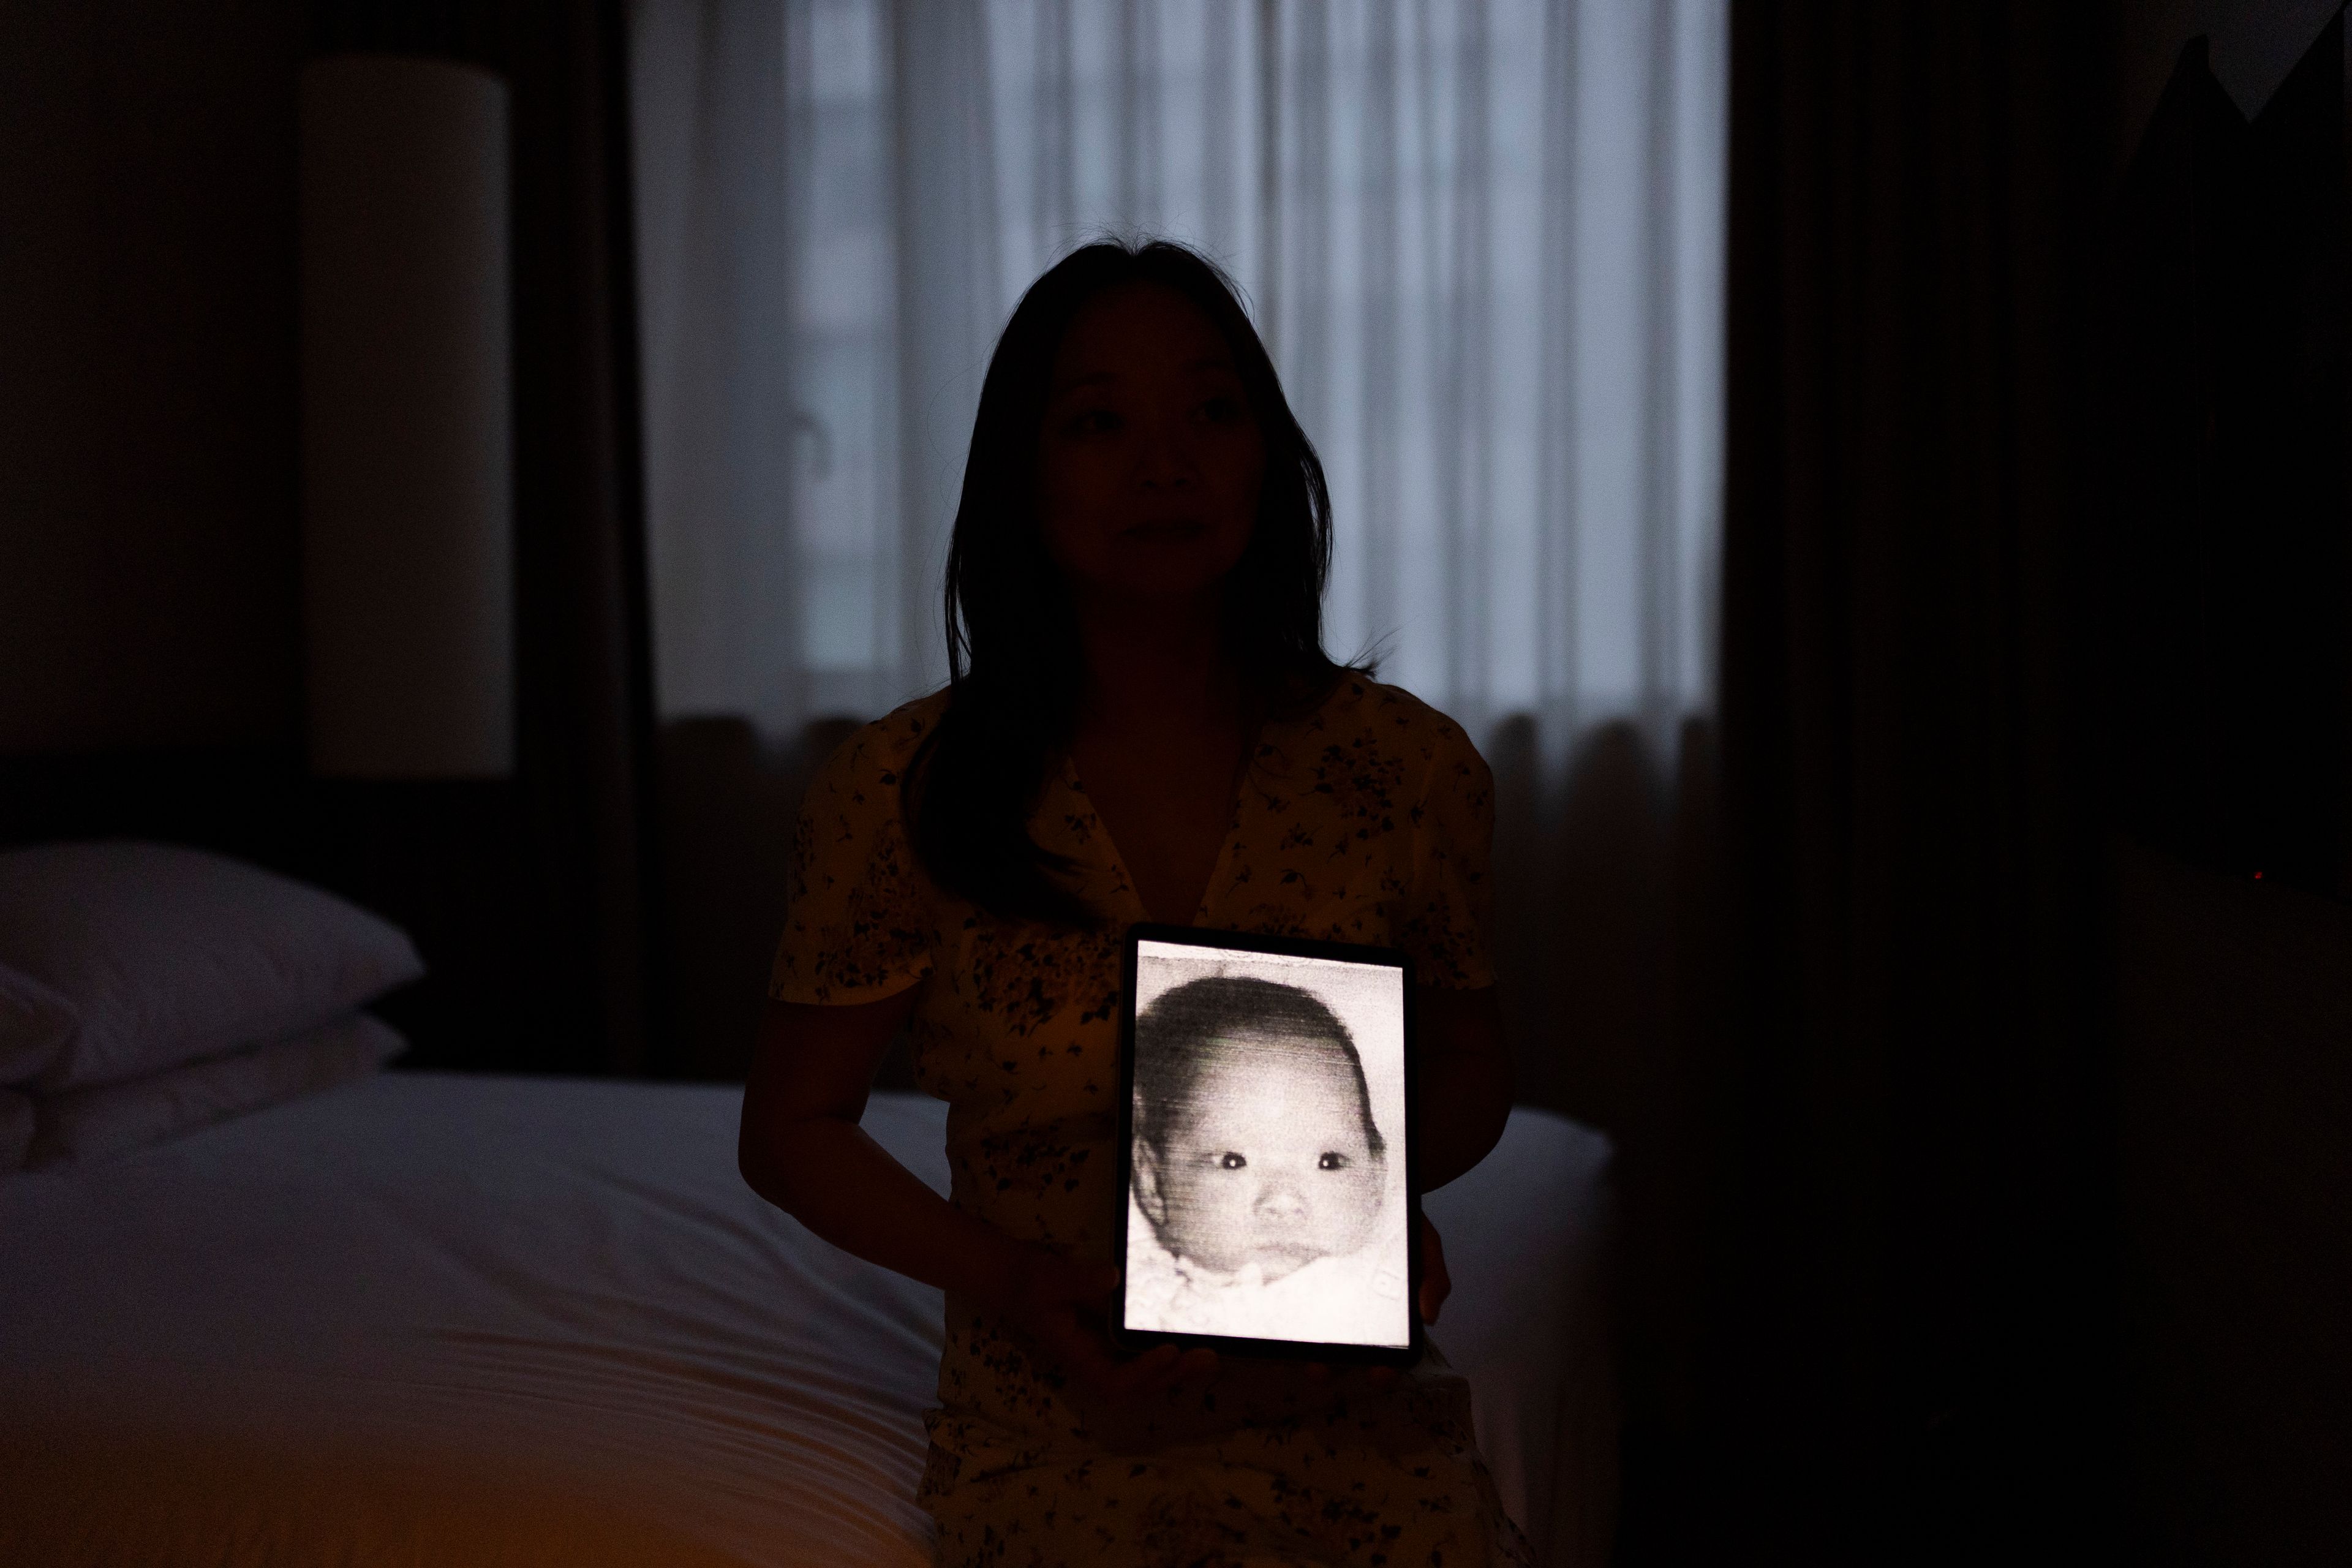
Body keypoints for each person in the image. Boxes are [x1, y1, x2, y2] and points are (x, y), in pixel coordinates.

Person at [739, 236, 1530, 1565]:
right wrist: (1010, 1279)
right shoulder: (906, 788)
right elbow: (792, 1129)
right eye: (1099, 421)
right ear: (1022, 476)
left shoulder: (1405, 767)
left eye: (1213, 411)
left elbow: (1468, 1065)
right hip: (1058, 1411)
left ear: (1267, 457)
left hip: (1349, 1402)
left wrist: (1378, 1195)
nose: (1167, 461)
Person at [1126, 974, 1406, 1346]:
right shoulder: (1142, 1304)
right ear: (1154, 1184)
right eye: (1232, 1161)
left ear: (1376, 1178)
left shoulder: (1388, 1283)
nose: (1284, 1203)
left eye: (1329, 1162)